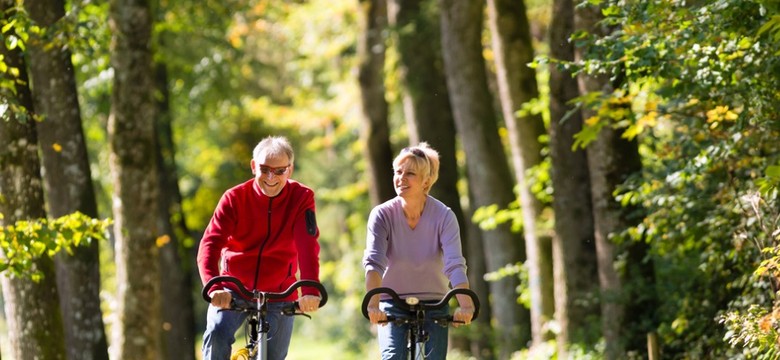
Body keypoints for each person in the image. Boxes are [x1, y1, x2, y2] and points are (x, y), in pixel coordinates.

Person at [197, 135, 323, 360]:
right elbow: (210, 244)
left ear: (290, 170)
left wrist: (310, 291)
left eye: (279, 171)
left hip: (280, 290)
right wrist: (212, 286)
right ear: (254, 166)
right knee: (217, 333)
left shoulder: (302, 197)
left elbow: (307, 245)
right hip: (233, 287)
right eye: (264, 169)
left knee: (273, 356)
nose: (271, 177)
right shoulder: (234, 198)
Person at [362, 142, 475, 360]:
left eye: (410, 174)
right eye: (398, 172)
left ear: (426, 182)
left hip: (435, 303)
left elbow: (455, 265)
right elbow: (374, 263)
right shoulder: (382, 215)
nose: (401, 178)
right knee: (393, 357)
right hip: (392, 303)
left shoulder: (444, 216)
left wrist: (466, 306)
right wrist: (373, 305)